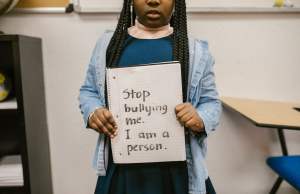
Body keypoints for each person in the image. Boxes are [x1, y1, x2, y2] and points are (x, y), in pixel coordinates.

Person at [78, 0, 222, 193]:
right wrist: (93, 111)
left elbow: (211, 103)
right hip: (122, 170)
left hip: (178, 173)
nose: (153, 0)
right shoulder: (108, 45)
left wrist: (200, 118)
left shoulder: (195, 51)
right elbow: (89, 91)